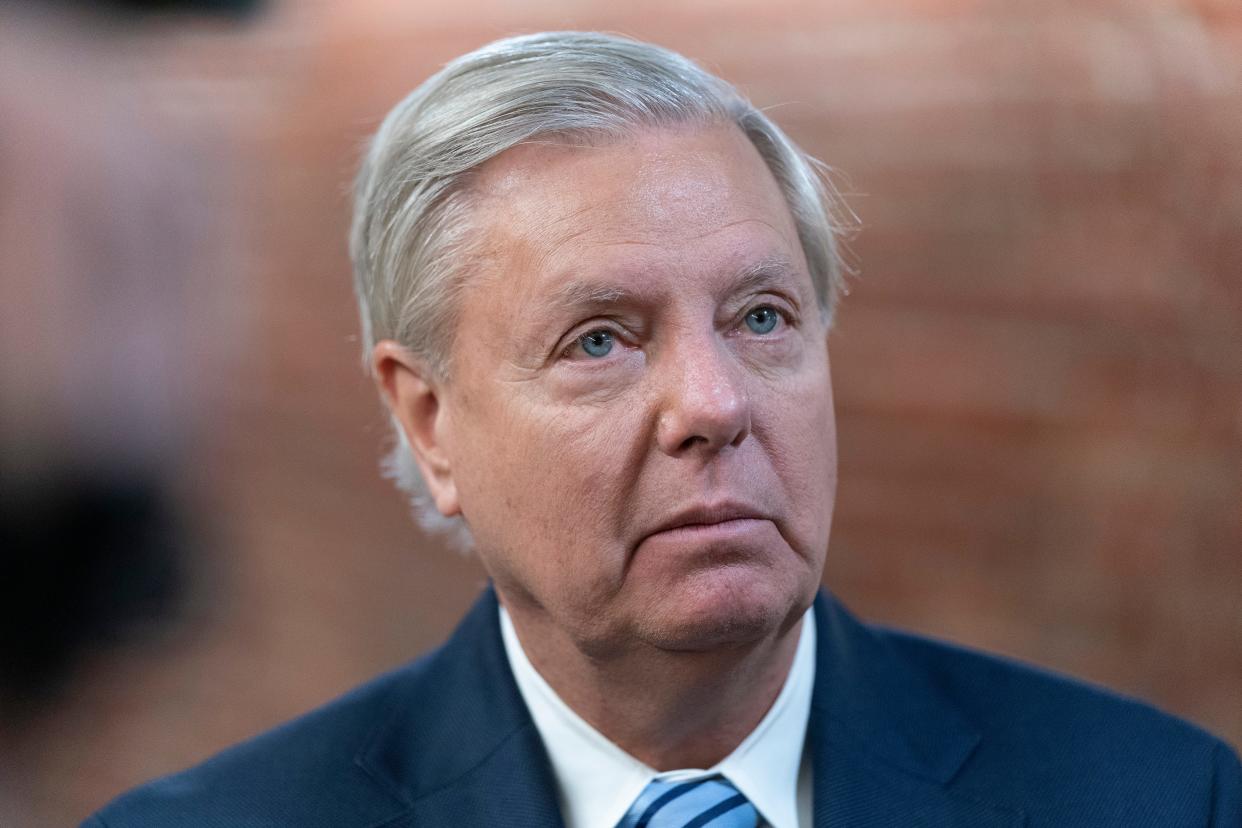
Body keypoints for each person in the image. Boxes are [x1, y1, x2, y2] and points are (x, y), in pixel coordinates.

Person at [86, 31, 1240, 827]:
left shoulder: (1158, 798)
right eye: (600, 338)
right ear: (430, 424)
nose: (716, 404)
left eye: (762, 317)